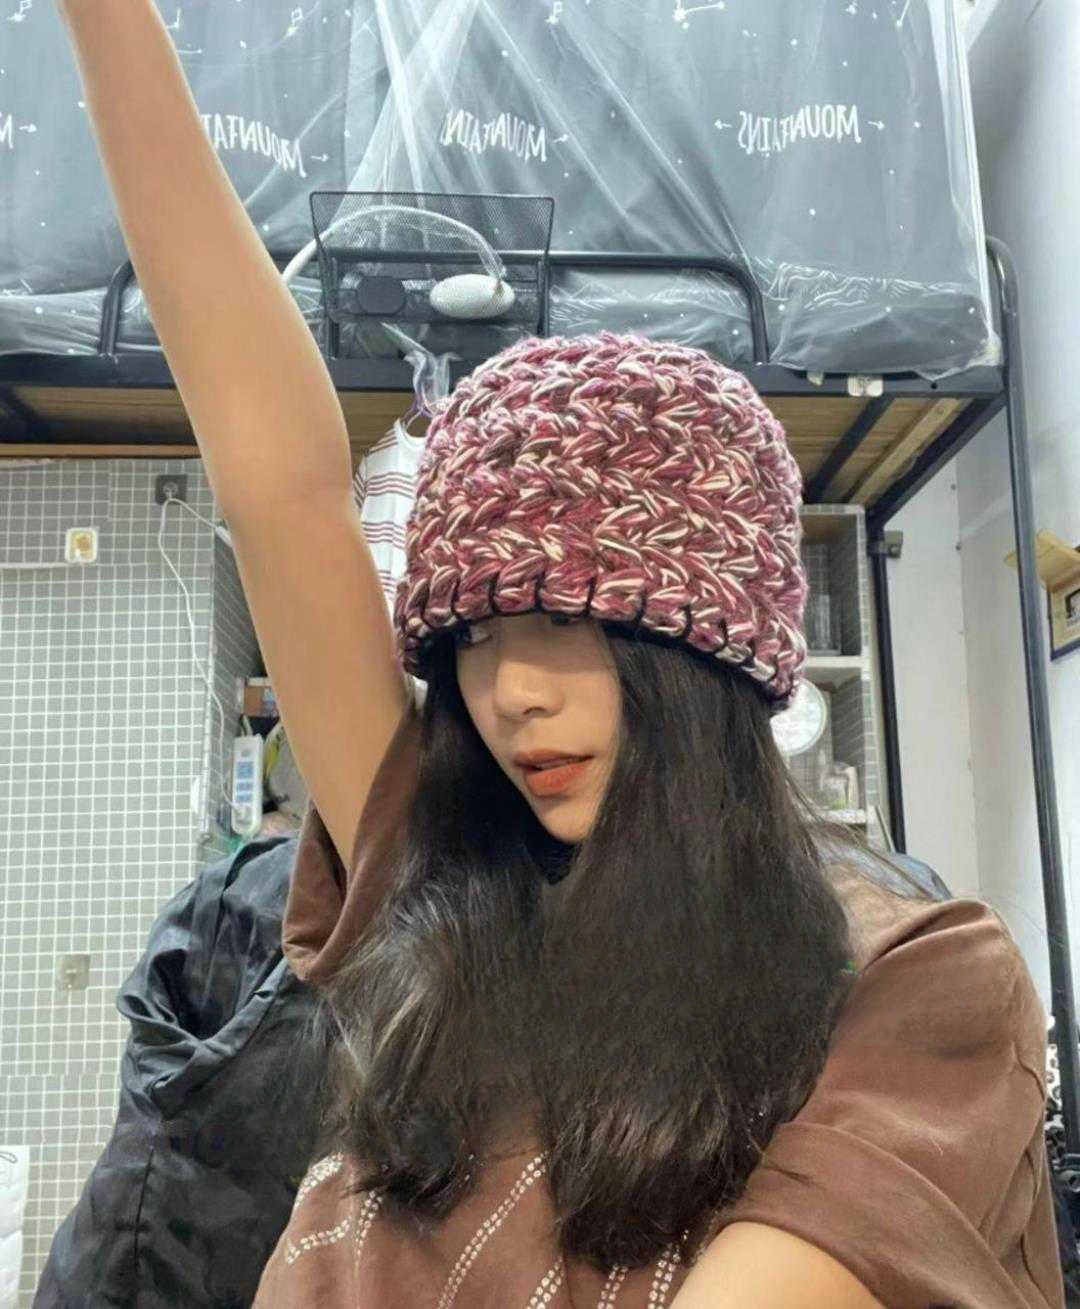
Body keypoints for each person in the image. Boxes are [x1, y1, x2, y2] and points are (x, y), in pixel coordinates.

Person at [58, 3, 1065, 1306]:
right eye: (472, 637)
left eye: (568, 619)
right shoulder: (441, 878)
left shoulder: (914, 978)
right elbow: (281, 488)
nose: (511, 693)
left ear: (704, 651)